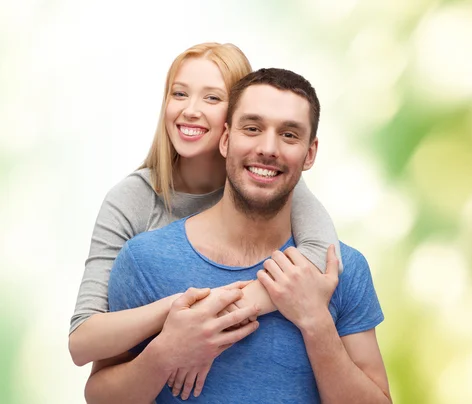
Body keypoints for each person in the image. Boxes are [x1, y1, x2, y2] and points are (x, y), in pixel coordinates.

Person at [85, 68, 391, 403]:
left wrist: (315, 322)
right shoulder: (143, 261)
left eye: (289, 135)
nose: (268, 148)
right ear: (226, 139)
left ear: (310, 153)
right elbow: (99, 396)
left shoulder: (342, 270)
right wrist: (165, 353)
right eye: (252, 128)